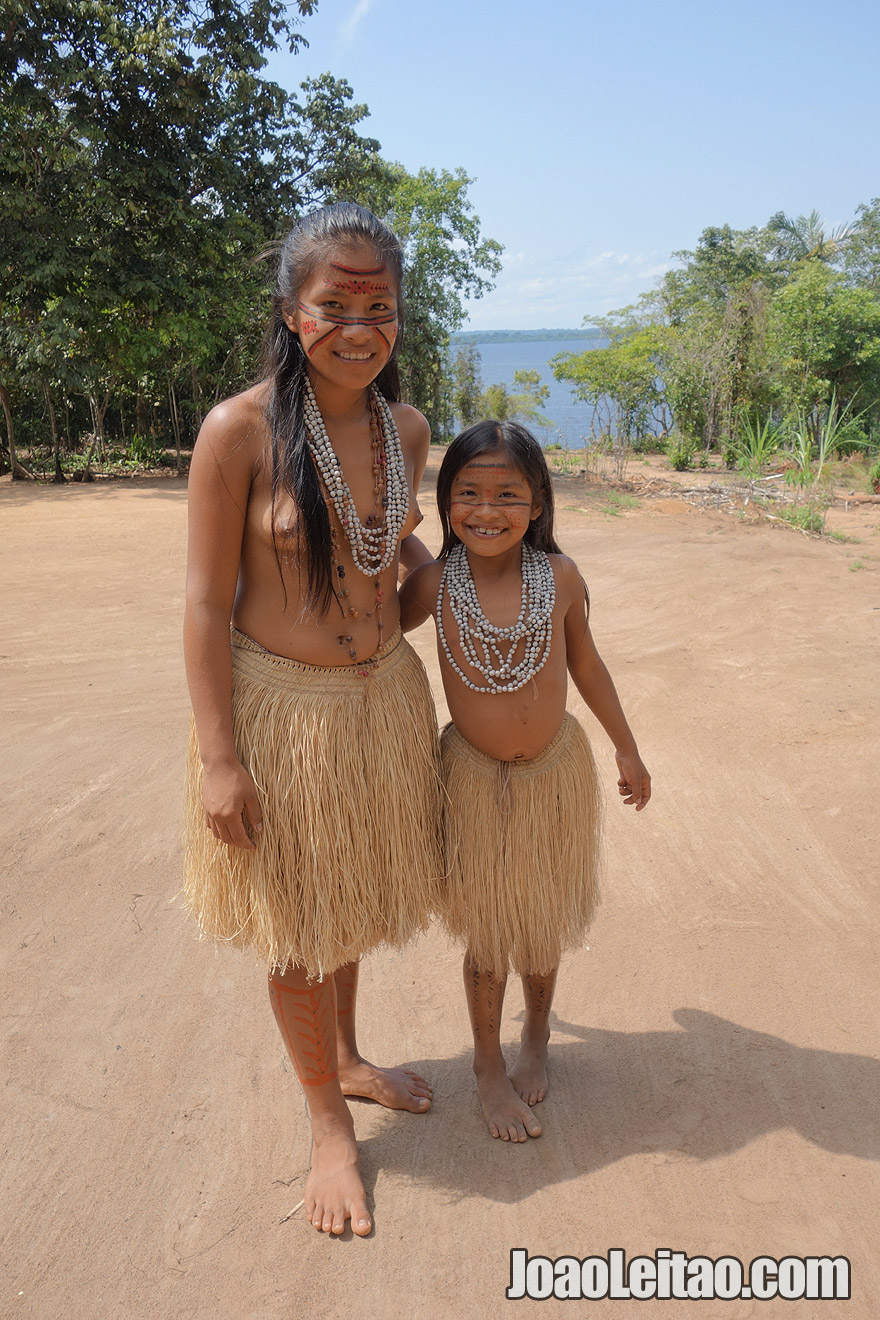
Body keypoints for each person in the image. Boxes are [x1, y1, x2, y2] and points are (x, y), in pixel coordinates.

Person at [182, 202, 443, 1236]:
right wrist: (218, 760)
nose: (358, 326)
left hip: (377, 703)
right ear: (295, 312)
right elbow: (203, 603)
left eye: (378, 306)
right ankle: (328, 1127)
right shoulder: (237, 430)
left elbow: (396, 586)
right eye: (335, 303)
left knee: (345, 901)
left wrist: (468, 567)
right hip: (281, 714)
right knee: (296, 929)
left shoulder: (407, 429)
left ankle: (344, 1056)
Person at [400, 420, 651, 1143]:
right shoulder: (435, 583)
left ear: (538, 502)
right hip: (473, 781)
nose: (487, 510)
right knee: (487, 931)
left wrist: (628, 750)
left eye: (508, 494)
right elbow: (371, 630)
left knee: (541, 920)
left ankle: (536, 1034)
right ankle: (486, 1065)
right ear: (445, 503)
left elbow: (589, 667)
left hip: (551, 777)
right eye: (468, 493)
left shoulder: (561, 577)